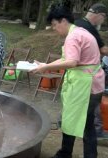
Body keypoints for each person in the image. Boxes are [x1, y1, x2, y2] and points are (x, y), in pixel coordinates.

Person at [31, 6, 104, 158]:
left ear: (63, 21)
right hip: (92, 83)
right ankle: (66, 152)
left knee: (85, 124)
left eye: (55, 25)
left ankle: (69, 154)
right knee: (77, 120)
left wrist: (46, 67)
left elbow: (71, 62)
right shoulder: (80, 31)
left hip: (86, 86)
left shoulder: (73, 37)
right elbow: (66, 59)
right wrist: (45, 66)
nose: (54, 29)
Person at [75, 3, 108, 140]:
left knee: (76, 99)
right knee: (94, 103)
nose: (104, 21)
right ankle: (98, 131)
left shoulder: (77, 23)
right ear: (99, 15)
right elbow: (103, 50)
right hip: (88, 73)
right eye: (104, 18)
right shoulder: (89, 28)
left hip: (76, 71)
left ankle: (64, 121)